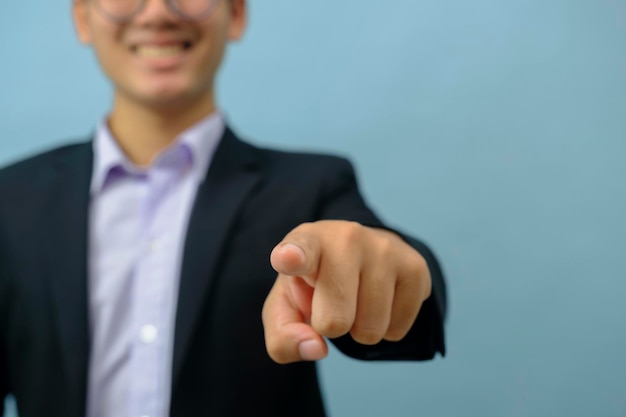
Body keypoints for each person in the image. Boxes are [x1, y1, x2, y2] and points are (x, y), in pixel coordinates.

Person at [0, 0, 446, 416]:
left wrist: (387, 266)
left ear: (234, 13)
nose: (157, 12)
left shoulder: (310, 189)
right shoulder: (12, 199)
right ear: (83, 18)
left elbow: (396, 279)